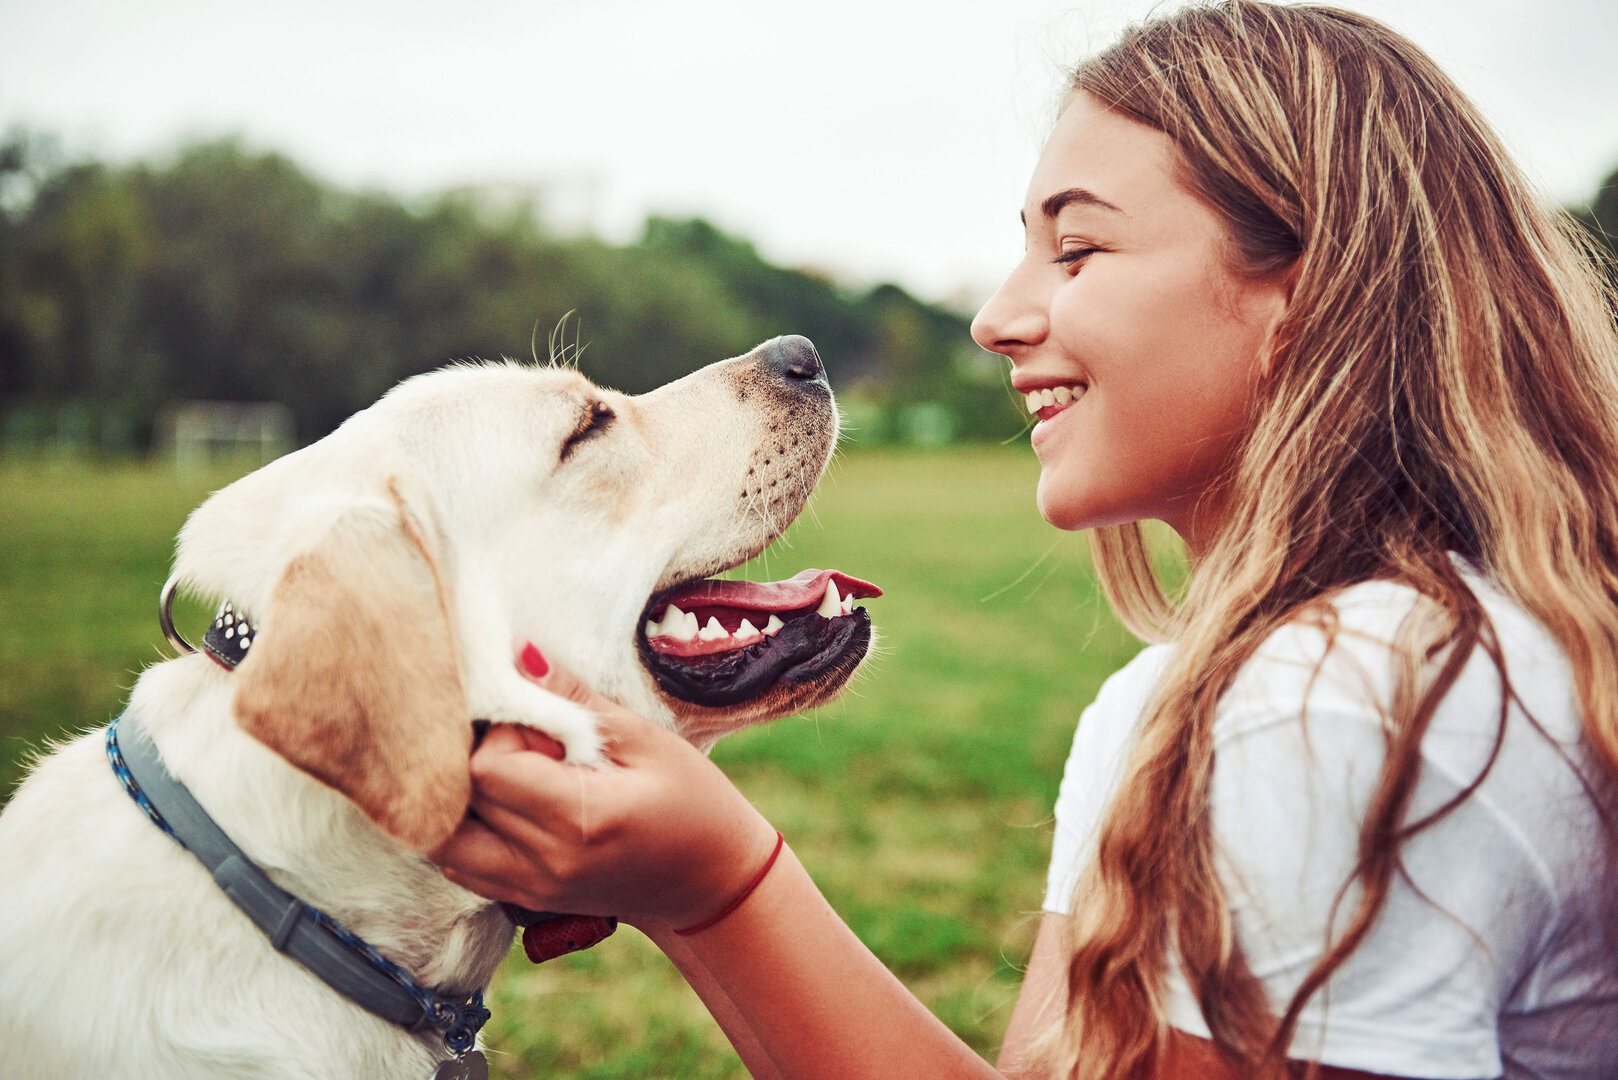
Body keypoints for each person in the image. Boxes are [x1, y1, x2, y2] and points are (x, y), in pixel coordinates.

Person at [433, 2, 1618, 1077]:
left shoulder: (1344, 698)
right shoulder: (1168, 705)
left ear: (1309, 296)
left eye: (1079, 249)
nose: (996, 319)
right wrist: (691, 887)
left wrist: (718, 889)